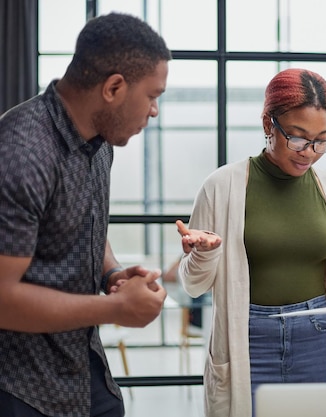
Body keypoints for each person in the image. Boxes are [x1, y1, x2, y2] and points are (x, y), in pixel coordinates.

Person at [176, 68, 326, 417]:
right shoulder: (221, 187)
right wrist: (204, 254)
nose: (309, 152)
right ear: (268, 125)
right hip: (246, 340)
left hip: (317, 338)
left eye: (321, 140)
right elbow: (194, 284)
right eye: (298, 137)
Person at [0, 13, 170, 417]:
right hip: (20, 386)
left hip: (81, 367)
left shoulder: (100, 140)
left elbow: (80, 222)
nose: (154, 111)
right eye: (151, 96)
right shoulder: (22, 153)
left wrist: (112, 273)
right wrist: (115, 309)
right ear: (113, 87)